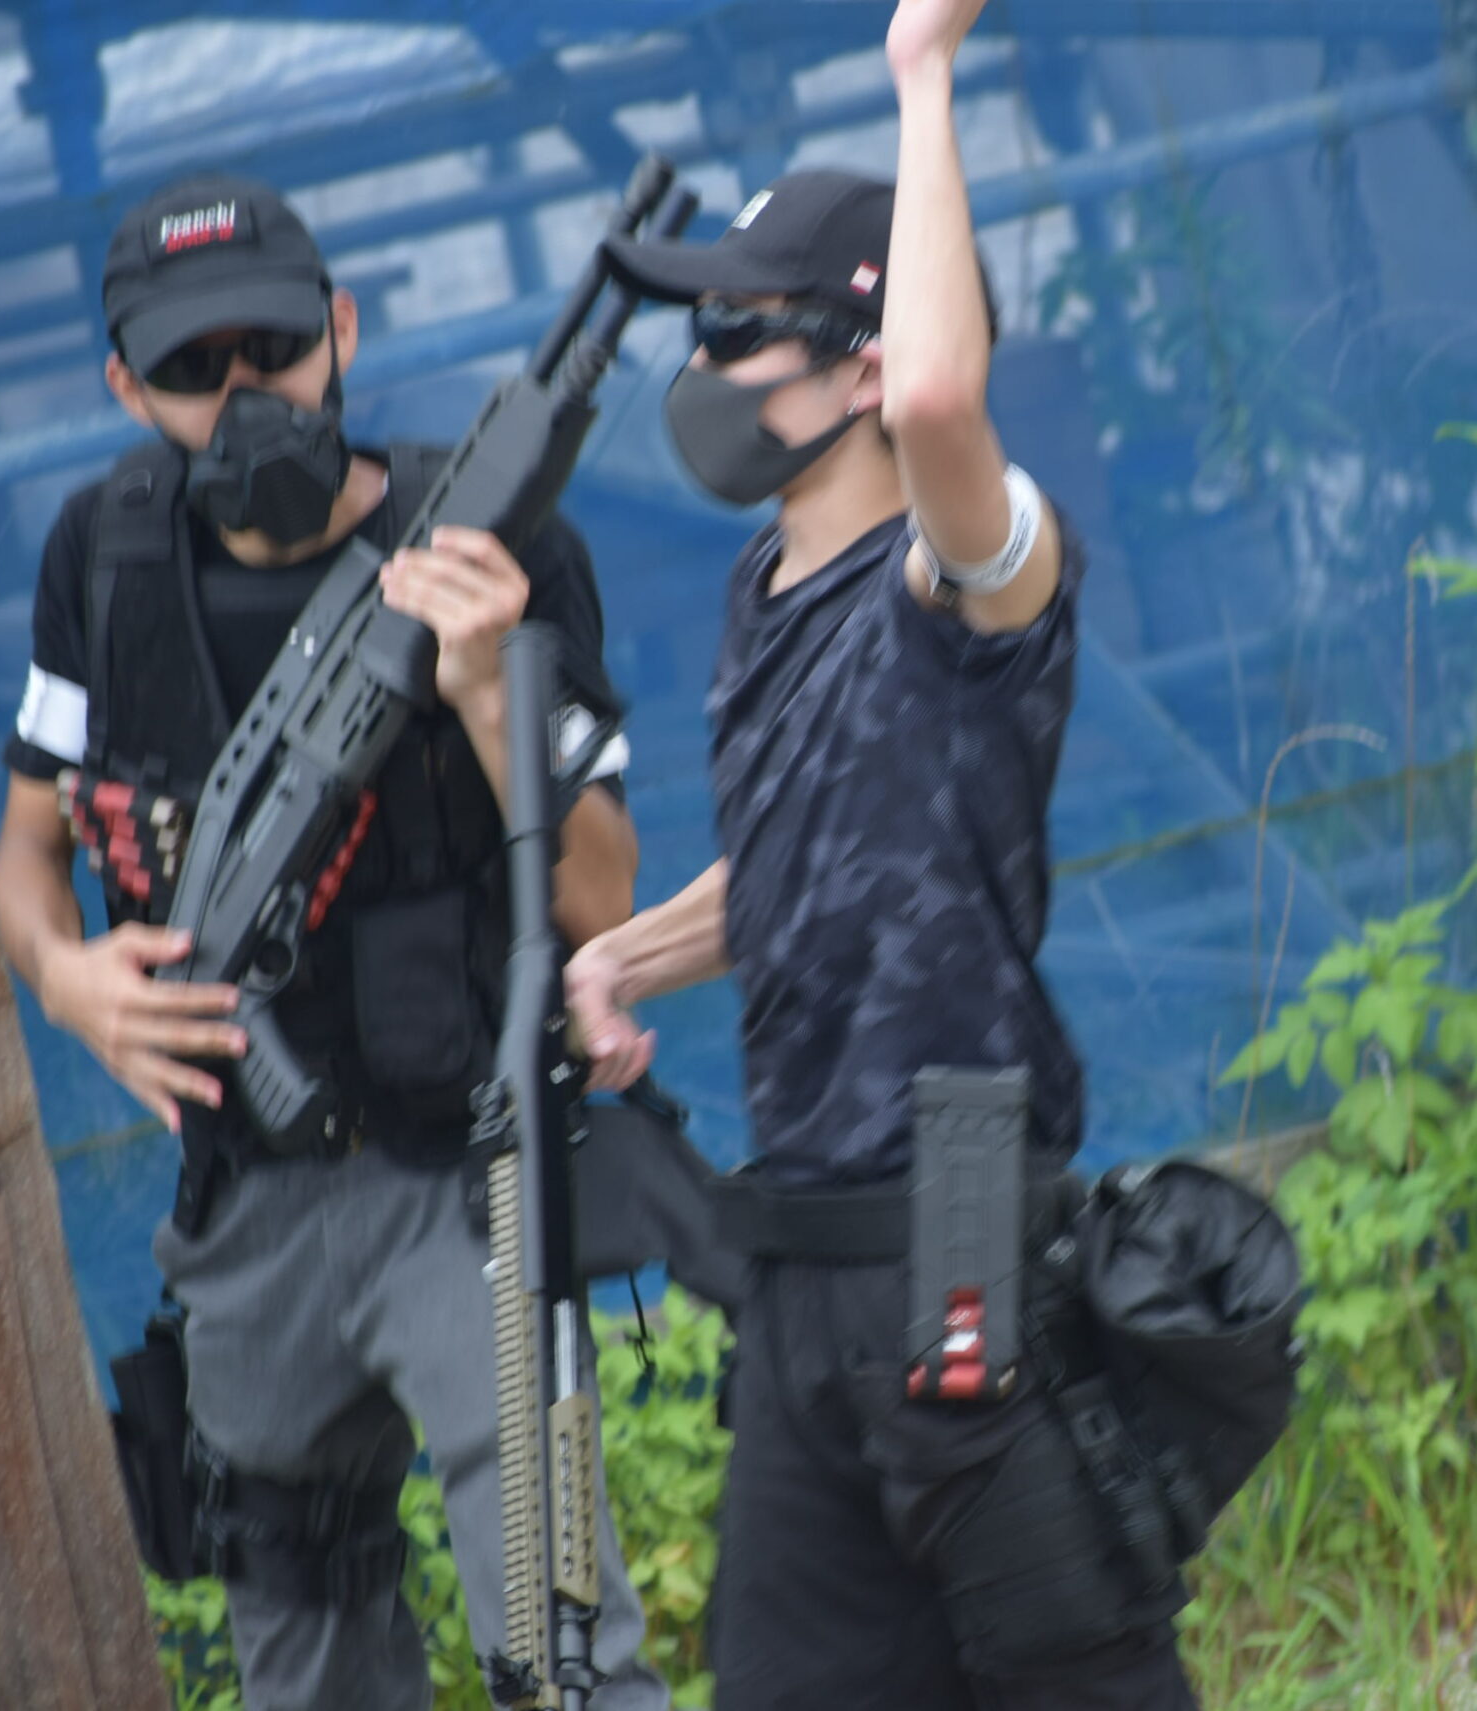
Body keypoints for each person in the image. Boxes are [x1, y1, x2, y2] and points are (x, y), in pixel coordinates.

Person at [565, 3, 1202, 1705]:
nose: (705, 371)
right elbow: (798, 865)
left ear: (856, 369)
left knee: (1077, 1674)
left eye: (744, 335)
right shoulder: (760, 591)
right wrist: (623, 957)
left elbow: (938, 389)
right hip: (803, 1268)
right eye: (700, 333)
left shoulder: (972, 574)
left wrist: (923, 75)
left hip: (961, 1231)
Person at [0, 171, 666, 1711]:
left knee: (562, 1641)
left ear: (342, 329)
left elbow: (606, 898)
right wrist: (71, 981)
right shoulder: (102, 559)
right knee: (299, 1632)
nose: (245, 395)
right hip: (248, 1205)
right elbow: (24, 854)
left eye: (275, 348)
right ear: (125, 390)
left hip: (468, 1184)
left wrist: (485, 689)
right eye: (191, 367)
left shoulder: (497, 544)